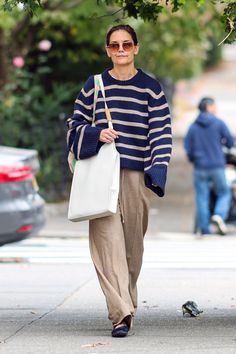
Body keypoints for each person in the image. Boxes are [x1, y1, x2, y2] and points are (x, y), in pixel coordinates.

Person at [66, 24, 172, 337]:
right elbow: (74, 126)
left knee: (132, 248)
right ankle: (120, 314)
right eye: (114, 45)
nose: (121, 50)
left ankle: (127, 301)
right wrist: (96, 134)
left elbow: (162, 131)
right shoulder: (93, 85)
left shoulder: (150, 88)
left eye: (126, 44)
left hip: (136, 174)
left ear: (136, 48)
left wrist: (158, 167)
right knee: (106, 243)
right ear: (108, 50)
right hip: (101, 174)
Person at [184, 97, 235, 236]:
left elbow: (187, 147)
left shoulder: (193, 126)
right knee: (224, 191)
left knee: (202, 196)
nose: (216, 108)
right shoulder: (218, 123)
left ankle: (204, 229)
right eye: (214, 106)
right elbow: (230, 142)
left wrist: (193, 158)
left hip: (199, 167)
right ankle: (219, 215)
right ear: (209, 107)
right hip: (217, 165)